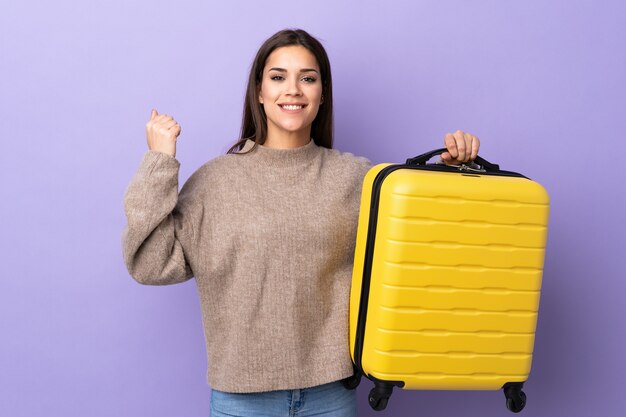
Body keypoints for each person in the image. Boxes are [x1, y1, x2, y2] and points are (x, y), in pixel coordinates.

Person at [122, 28, 480, 417]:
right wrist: (159, 161)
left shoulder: (357, 178)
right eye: (278, 77)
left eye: (307, 78)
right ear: (259, 92)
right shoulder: (215, 182)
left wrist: (456, 173)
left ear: (321, 94)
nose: (292, 89)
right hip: (241, 399)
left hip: (331, 395)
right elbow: (149, 263)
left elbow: (429, 252)